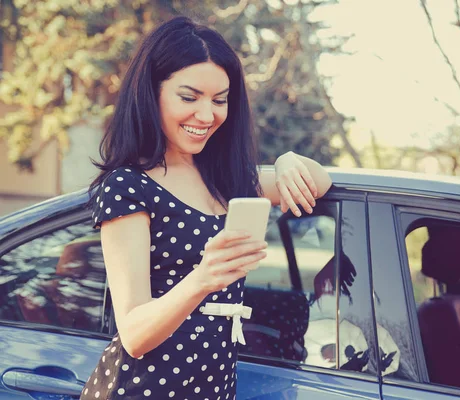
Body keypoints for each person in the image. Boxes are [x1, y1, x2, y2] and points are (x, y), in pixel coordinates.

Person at [81, 16, 332, 400]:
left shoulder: (226, 180)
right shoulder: (128, 186)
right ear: (152, 92)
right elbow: (133, 334)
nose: (206, 115)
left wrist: (287, 160)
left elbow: (320, 182)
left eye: (219, 100)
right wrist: (204, 278)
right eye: (189, 97)